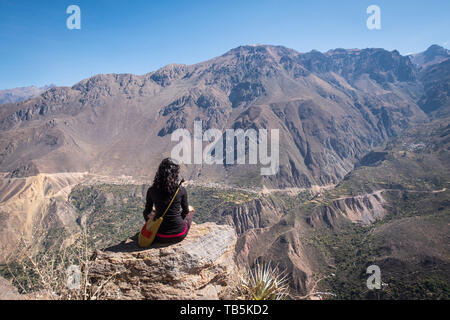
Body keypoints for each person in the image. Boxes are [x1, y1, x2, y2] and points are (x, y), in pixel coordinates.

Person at [143, 158, 194, 244]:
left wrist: (154, 218)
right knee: (190, 210)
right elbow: (185, 211)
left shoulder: (152, 190)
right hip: (179, 234)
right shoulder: (181, 190)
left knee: (152, 211)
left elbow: (147, 212)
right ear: (176, 173)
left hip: (159, 235)